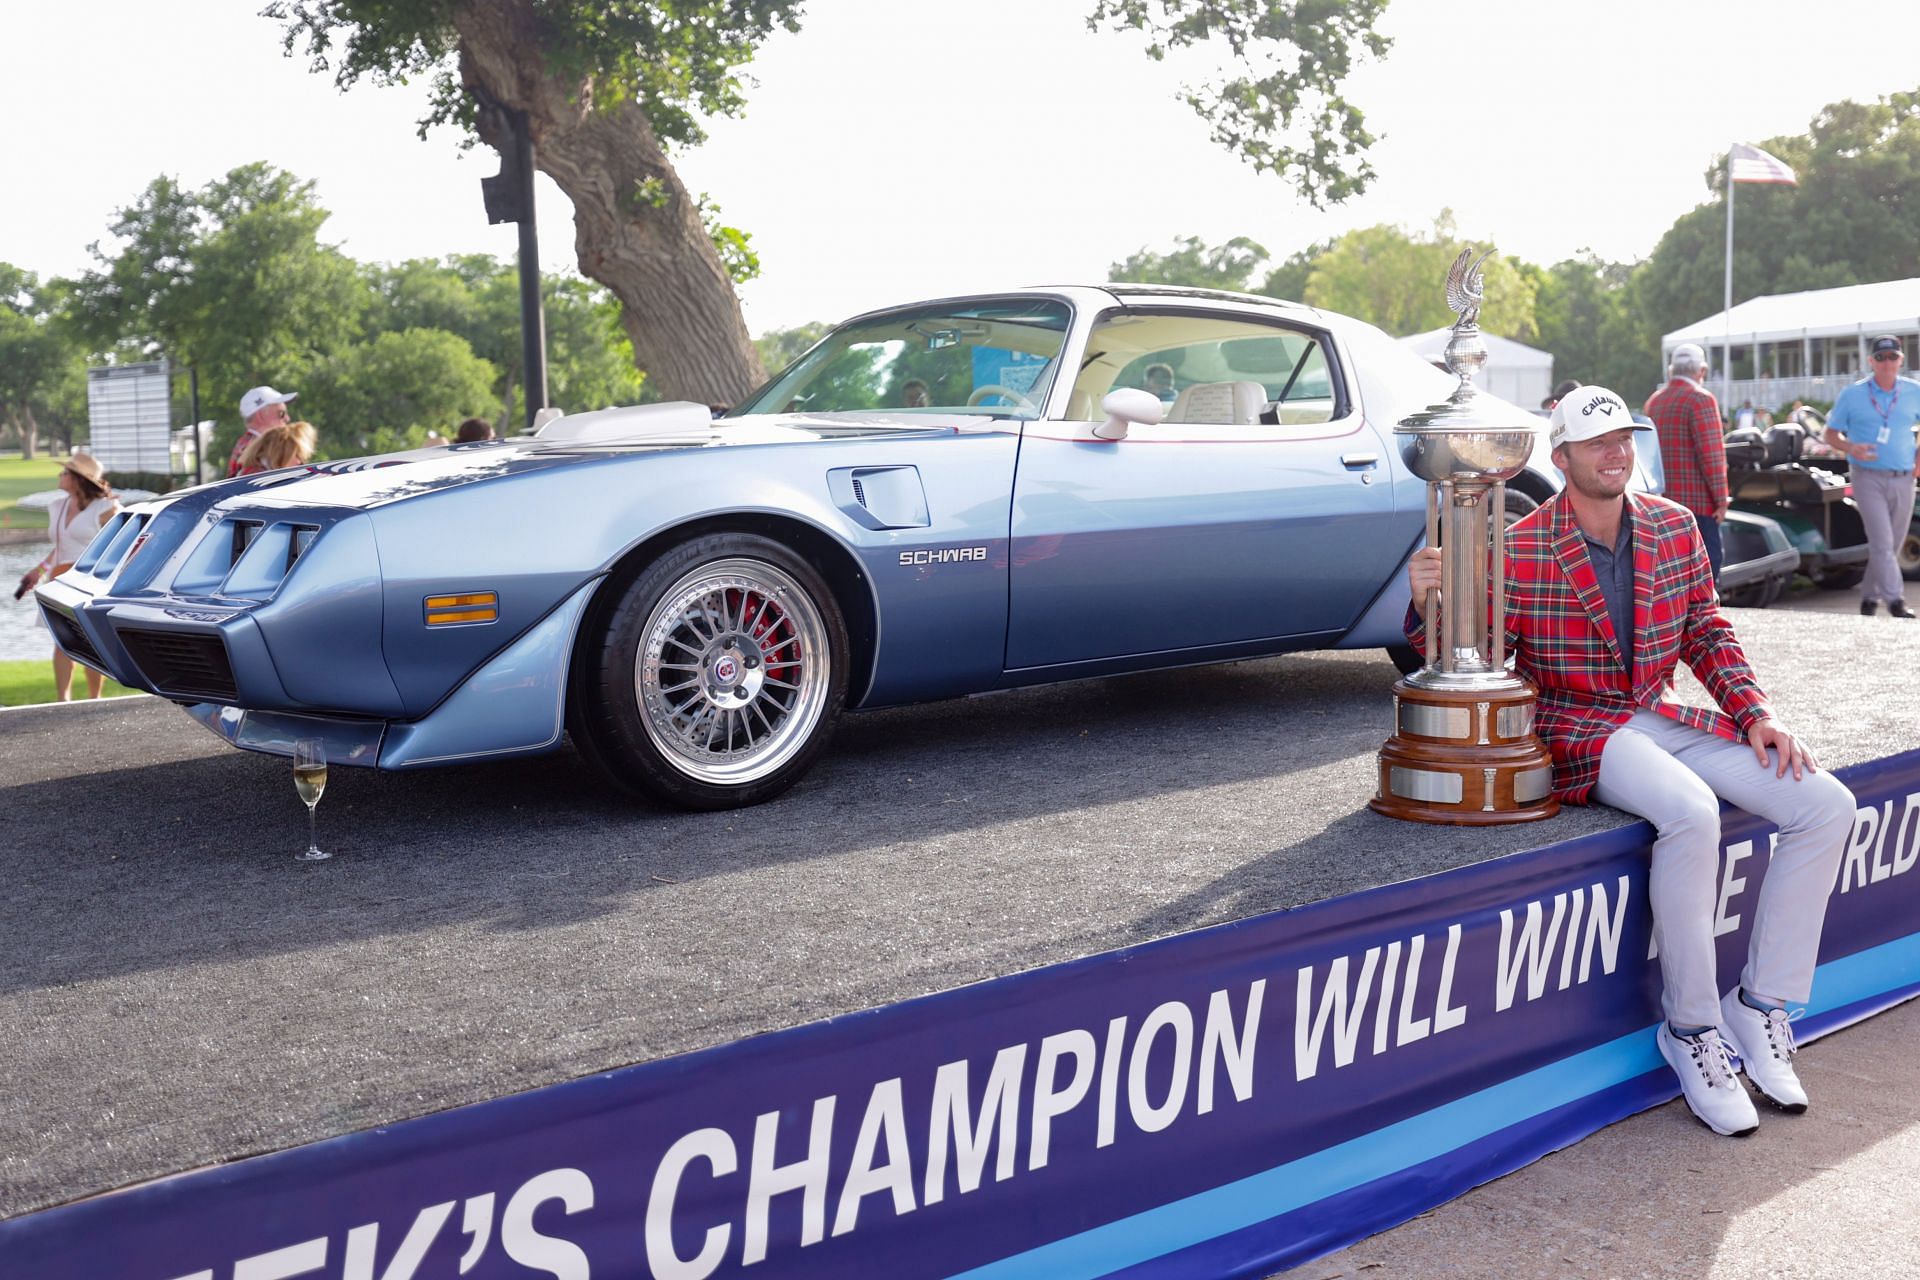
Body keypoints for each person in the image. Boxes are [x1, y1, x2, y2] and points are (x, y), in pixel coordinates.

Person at [1407, 385, 1856, 1138]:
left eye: (1624, 438)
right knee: (1690, 812)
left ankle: (1762, 1006)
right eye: (1598, 442)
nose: (1617, 453)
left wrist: (1757, 715)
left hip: (1660, 711)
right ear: (1562, 458)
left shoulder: (1675, 525)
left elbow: (1708, 634)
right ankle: (1691, 1033)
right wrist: (1433, 605)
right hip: (1576, 725)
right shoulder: (1519, 546)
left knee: (1825, 805)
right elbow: (1481, 659)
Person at [1822, 335, 1918, 618]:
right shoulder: (1853, 394)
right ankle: (1895, 601)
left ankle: (1869, 597)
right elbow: (1830, 434)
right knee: (1882, 541)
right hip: (1867, 477)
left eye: (1892, 357)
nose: (1886, 363)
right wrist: (1851, 447)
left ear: (1900, 360)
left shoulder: (1913, 391)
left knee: (1893, 543)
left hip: (1904, 477)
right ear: (1871, 361)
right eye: (1881, 357)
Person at [16, 455, 121, 700]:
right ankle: (63, 701)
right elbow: (60, 548)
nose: (60, 476)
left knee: (90, 644)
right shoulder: (58, 506)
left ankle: (94, 699)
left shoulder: (106, 509)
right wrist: (38, 571)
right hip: (58, 584)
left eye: (64, 473)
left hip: (88, 585)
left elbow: (119, 546)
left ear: (78, 479)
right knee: (62, 642)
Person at [1645, 343, 1731, 579]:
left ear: (1672, 370)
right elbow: (1711, 456)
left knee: (1672, 576)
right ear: (1701, 371)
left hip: (1662, 504)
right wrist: (1721, 500)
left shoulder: (1655, 401)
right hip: (1699, 506)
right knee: (1706, 574)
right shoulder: (1700, 399)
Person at [229, 385, 298, 478]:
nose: (287, 419)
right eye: (281, 413)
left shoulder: (249, 445)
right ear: (261, 416)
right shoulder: (254, 450)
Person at [236, 420, 317, 475]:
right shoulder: (256, 479)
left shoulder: (263, 474)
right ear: (281, 453)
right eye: (297, 455)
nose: (299, 462)